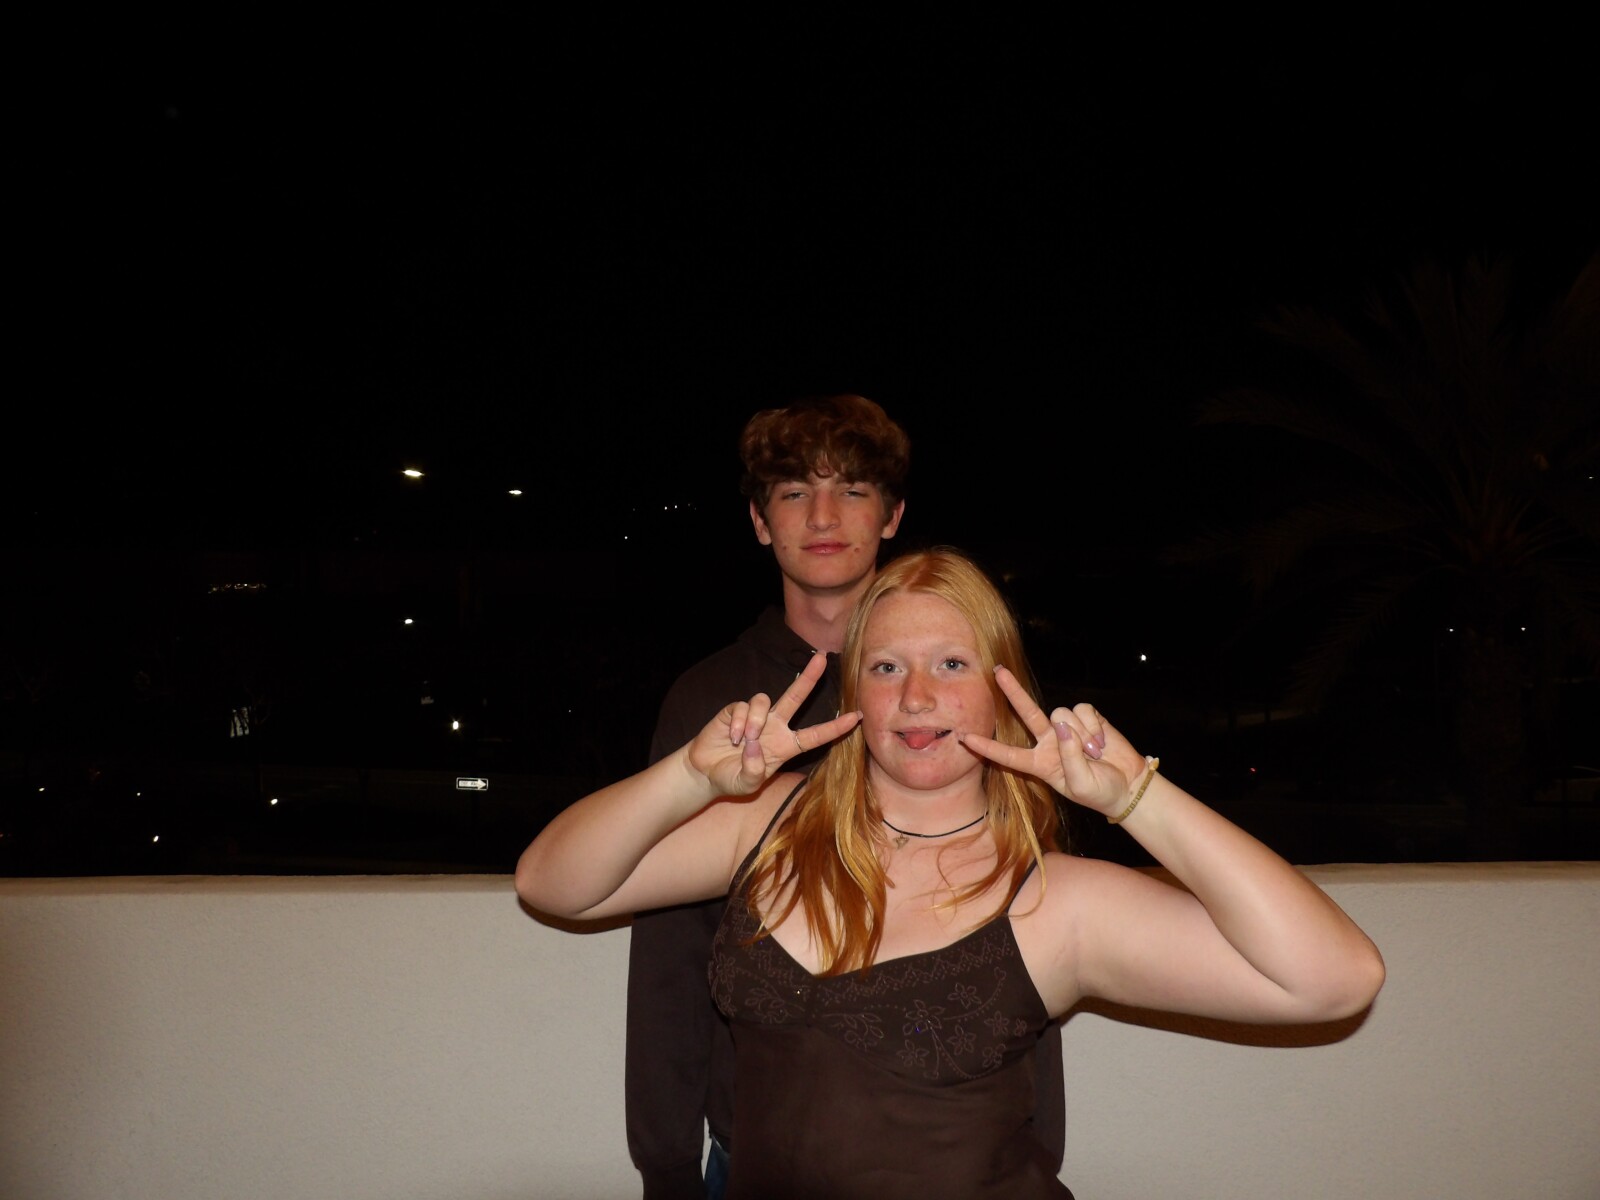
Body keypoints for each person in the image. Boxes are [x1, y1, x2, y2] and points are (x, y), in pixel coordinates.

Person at [519, 549, 1386, 1199]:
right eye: (886, 667)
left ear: (1001, 689)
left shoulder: (1052, 897)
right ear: (854, 692)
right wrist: (689, 778)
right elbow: (553, 884)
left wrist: (1138, 800)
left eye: (952, 664)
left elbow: (1335, 980)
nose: (917, 696)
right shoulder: (770, 824)